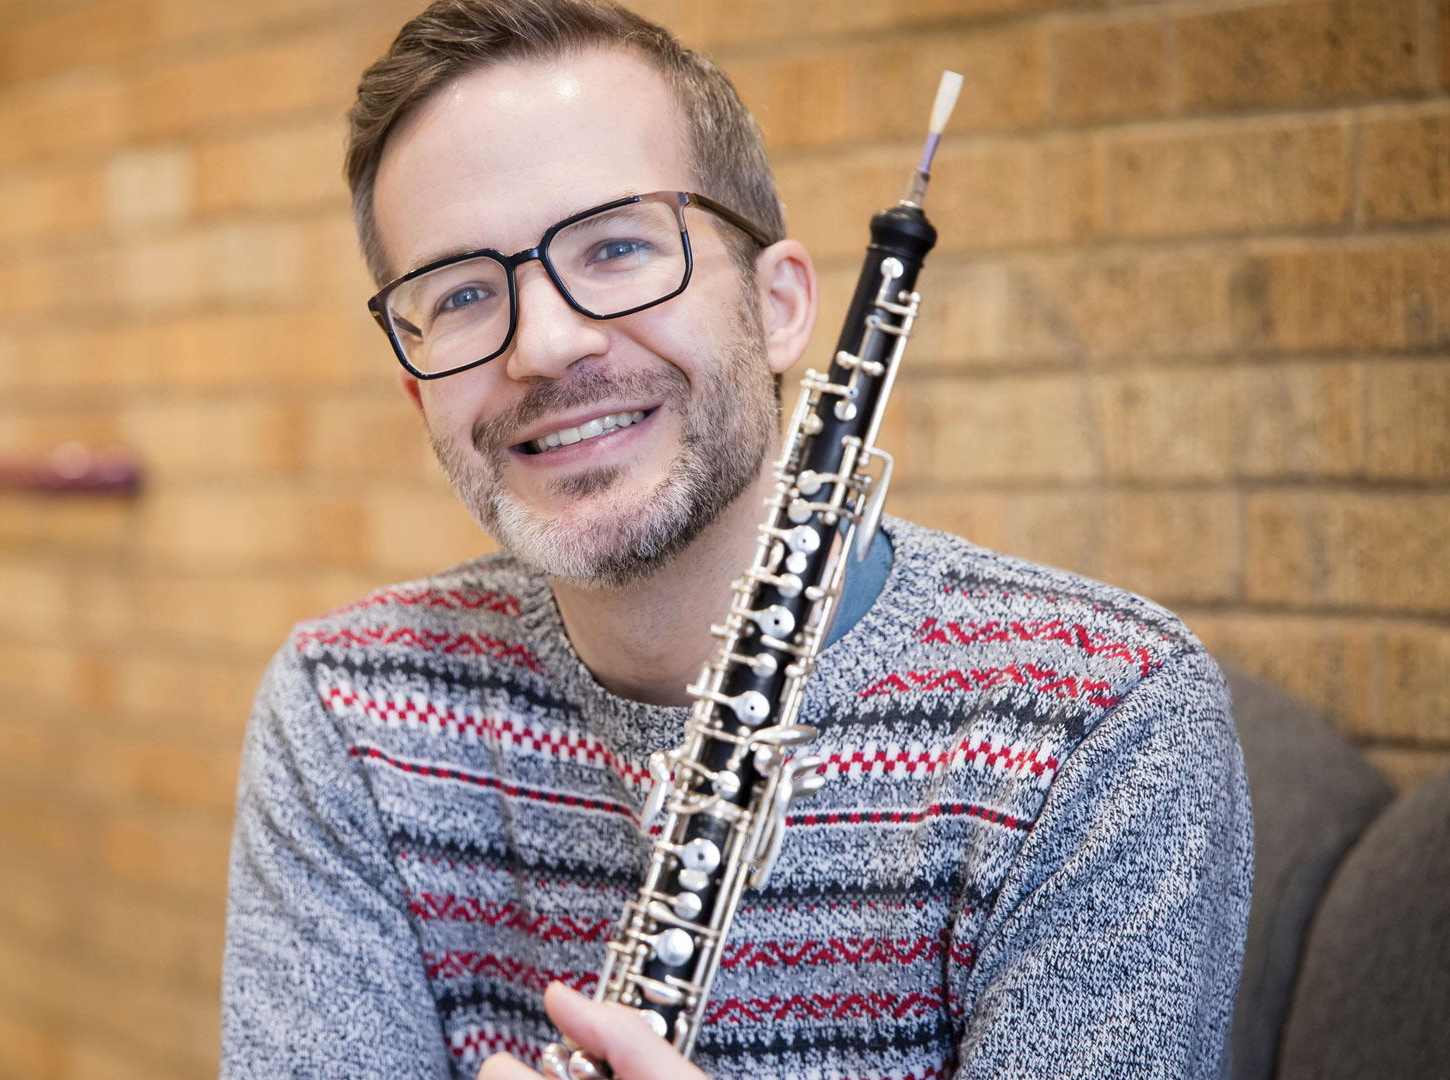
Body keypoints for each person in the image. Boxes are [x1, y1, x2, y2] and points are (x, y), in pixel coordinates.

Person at [220, 2, 1252, 1077]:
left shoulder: (1104, 720)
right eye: (464, 295)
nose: (544, 347)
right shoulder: (348, 708)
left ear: (781, 307)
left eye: (616, 246)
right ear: (412, 386)